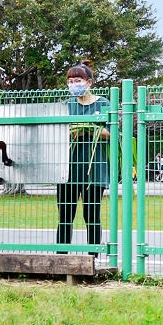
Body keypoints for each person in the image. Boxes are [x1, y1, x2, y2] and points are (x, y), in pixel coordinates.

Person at [57, 60, 110, 255]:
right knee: (65, 216)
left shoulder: (103, 103)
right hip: (67, 171)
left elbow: (114, 133)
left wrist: (88, 129)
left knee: (92, 216)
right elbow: (57, 133)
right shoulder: (66, 105)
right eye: (70, 81)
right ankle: (61, 257)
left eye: (77, 80)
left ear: (89, 82)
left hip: (93, 171)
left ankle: (92, 257)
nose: (73, 84)